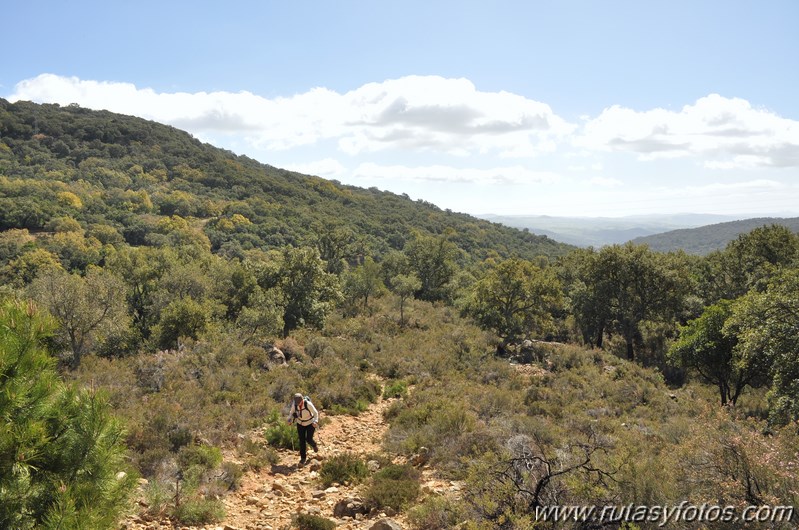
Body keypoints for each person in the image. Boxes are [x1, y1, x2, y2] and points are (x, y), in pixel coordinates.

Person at [286, 393, 319, 465]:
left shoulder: (308, 404)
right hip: (300, 423)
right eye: (297, 403)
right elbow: (291, 413)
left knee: (309, 439)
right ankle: (303, 458)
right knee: (302, 441)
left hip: (310, 423)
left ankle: (314, 445)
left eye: (299, 403)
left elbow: (315, 413)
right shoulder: (294, 404)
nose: (298, 404)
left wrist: (315, 421)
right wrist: (289, 420)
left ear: (302, 400)